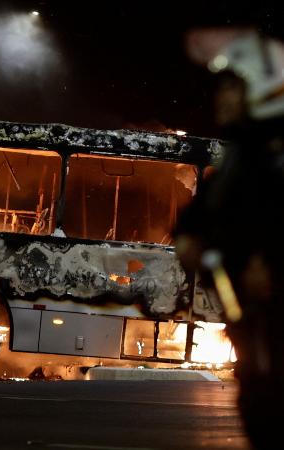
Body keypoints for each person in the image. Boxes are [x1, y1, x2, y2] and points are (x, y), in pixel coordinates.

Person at [174, 27, 284, 450]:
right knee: (258, 407)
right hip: (251, 318)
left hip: (275, 320)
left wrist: (271, 266)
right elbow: (203, 214)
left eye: (234, 87)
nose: (222, 97)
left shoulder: (273, 155)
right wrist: (187, 236)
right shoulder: (241, 154)